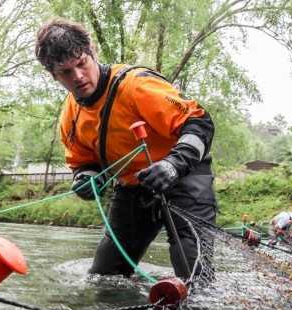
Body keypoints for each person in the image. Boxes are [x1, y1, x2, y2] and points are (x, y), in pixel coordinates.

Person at [35, 18, 216, 280]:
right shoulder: (70, 115)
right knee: (104, 277)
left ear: (92, 52)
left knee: (194, 275)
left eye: (81, 63)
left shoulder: (137, 85)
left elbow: (199, 122)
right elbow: (82, 160)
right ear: (52, 74)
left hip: (185, 178)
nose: (78, 76)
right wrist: (85, 178)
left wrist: (173, 165)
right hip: (132, 188)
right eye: (65, 71)